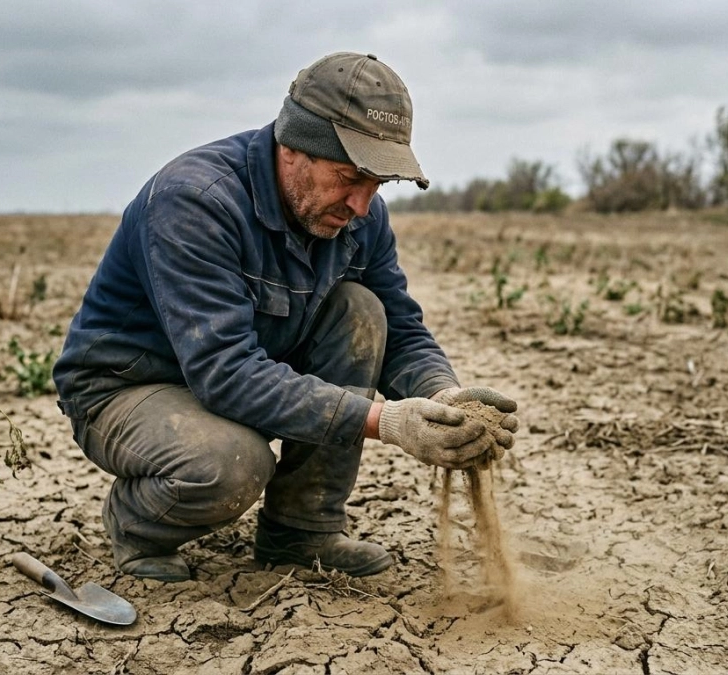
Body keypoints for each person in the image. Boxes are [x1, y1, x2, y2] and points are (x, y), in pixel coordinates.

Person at [53, 52, 519, 583]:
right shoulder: (195, 201)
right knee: (231, 464)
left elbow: (401, 328)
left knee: (360, 310)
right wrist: (388, 422)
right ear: (294, 147)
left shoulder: (358, 218)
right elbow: (225, 372)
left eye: (377, 185)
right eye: (349, 178)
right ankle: (138, 527)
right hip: (130, 387)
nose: (362, 206)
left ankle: (302, 532)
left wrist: (445, 399)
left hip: (241, 371)